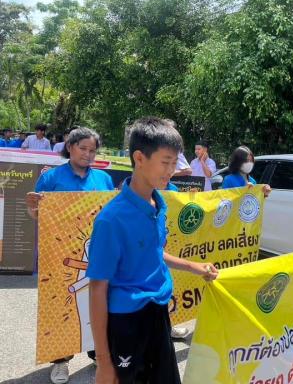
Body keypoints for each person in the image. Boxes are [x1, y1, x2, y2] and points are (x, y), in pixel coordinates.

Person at [86, 117, 218, 384]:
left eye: (174, 163)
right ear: (139, 158)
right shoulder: (111, 219)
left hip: (158, 312)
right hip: (127, 321)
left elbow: (153, 253)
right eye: (165, 162)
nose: (171, 171)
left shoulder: (158, 204)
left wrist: (193, 266)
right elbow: (97, 288)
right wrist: (104, 363)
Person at [26, 127, 114, 384]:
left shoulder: (103, 179)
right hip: (60, 255)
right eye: (83, 148)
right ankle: (60, 360)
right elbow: (37, 216)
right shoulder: (51, 178)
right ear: (70, 147)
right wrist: (32, 208)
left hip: (99, 252)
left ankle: (98, 354)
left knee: (99, 303)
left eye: (92, 150)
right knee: (60, 306)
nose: (88, 154)